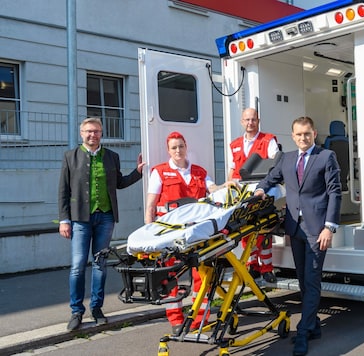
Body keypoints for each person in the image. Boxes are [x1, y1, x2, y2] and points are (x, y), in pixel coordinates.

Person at [254, 116, 342, 356]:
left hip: (317, 230)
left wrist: (329, 227)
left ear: (314, 134)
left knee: (312, 280)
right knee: (303, 279)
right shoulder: (287, 158)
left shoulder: (325, 157)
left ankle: (303, 331)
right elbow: (271, 178)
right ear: (292, 136)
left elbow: (335, 192)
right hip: (295, 229)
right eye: (298, 134)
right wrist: (260, 190)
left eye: (307, 134)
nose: (303, 138)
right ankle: (313, 326)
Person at [58, 117, 144, 331]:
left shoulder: (112, 157)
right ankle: (76, 311)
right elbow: (63, 190)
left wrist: (138, 173)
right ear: (81, 133)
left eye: (96, 131)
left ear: (101, 134)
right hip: (80, 219)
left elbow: (120, 183)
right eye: (88, 131)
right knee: (78, 266)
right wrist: (64, 219)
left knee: (100, 264)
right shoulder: (71, 157)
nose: (92, 135)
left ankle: (97, 308)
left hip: (105, 217)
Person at [145, 131, 230, 334]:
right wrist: (150, 234)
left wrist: (226, 186)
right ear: (168, 150)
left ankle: (199, 320)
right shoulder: (159, 172)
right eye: (174, 147)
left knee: (202, 275)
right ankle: (175, 320)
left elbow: (214, 189)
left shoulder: (199, 172)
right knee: (169, 277)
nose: (178, 151)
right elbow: (150, 207)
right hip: (170, 235)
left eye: (181, 146)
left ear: (186, 146)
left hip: (196, 235)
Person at [227, 108, 280, 283]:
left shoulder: (268, 140)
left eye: (253, 120)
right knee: (245, 232)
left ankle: (267, 268)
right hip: (241, 194)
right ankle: (252, 266)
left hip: (262, 191)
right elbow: (232, 171)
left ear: (258, 121)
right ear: (242, 122)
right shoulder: (233, 144)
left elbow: (275, 164)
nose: (250, 123)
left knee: (263, 231)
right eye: (247, 120)